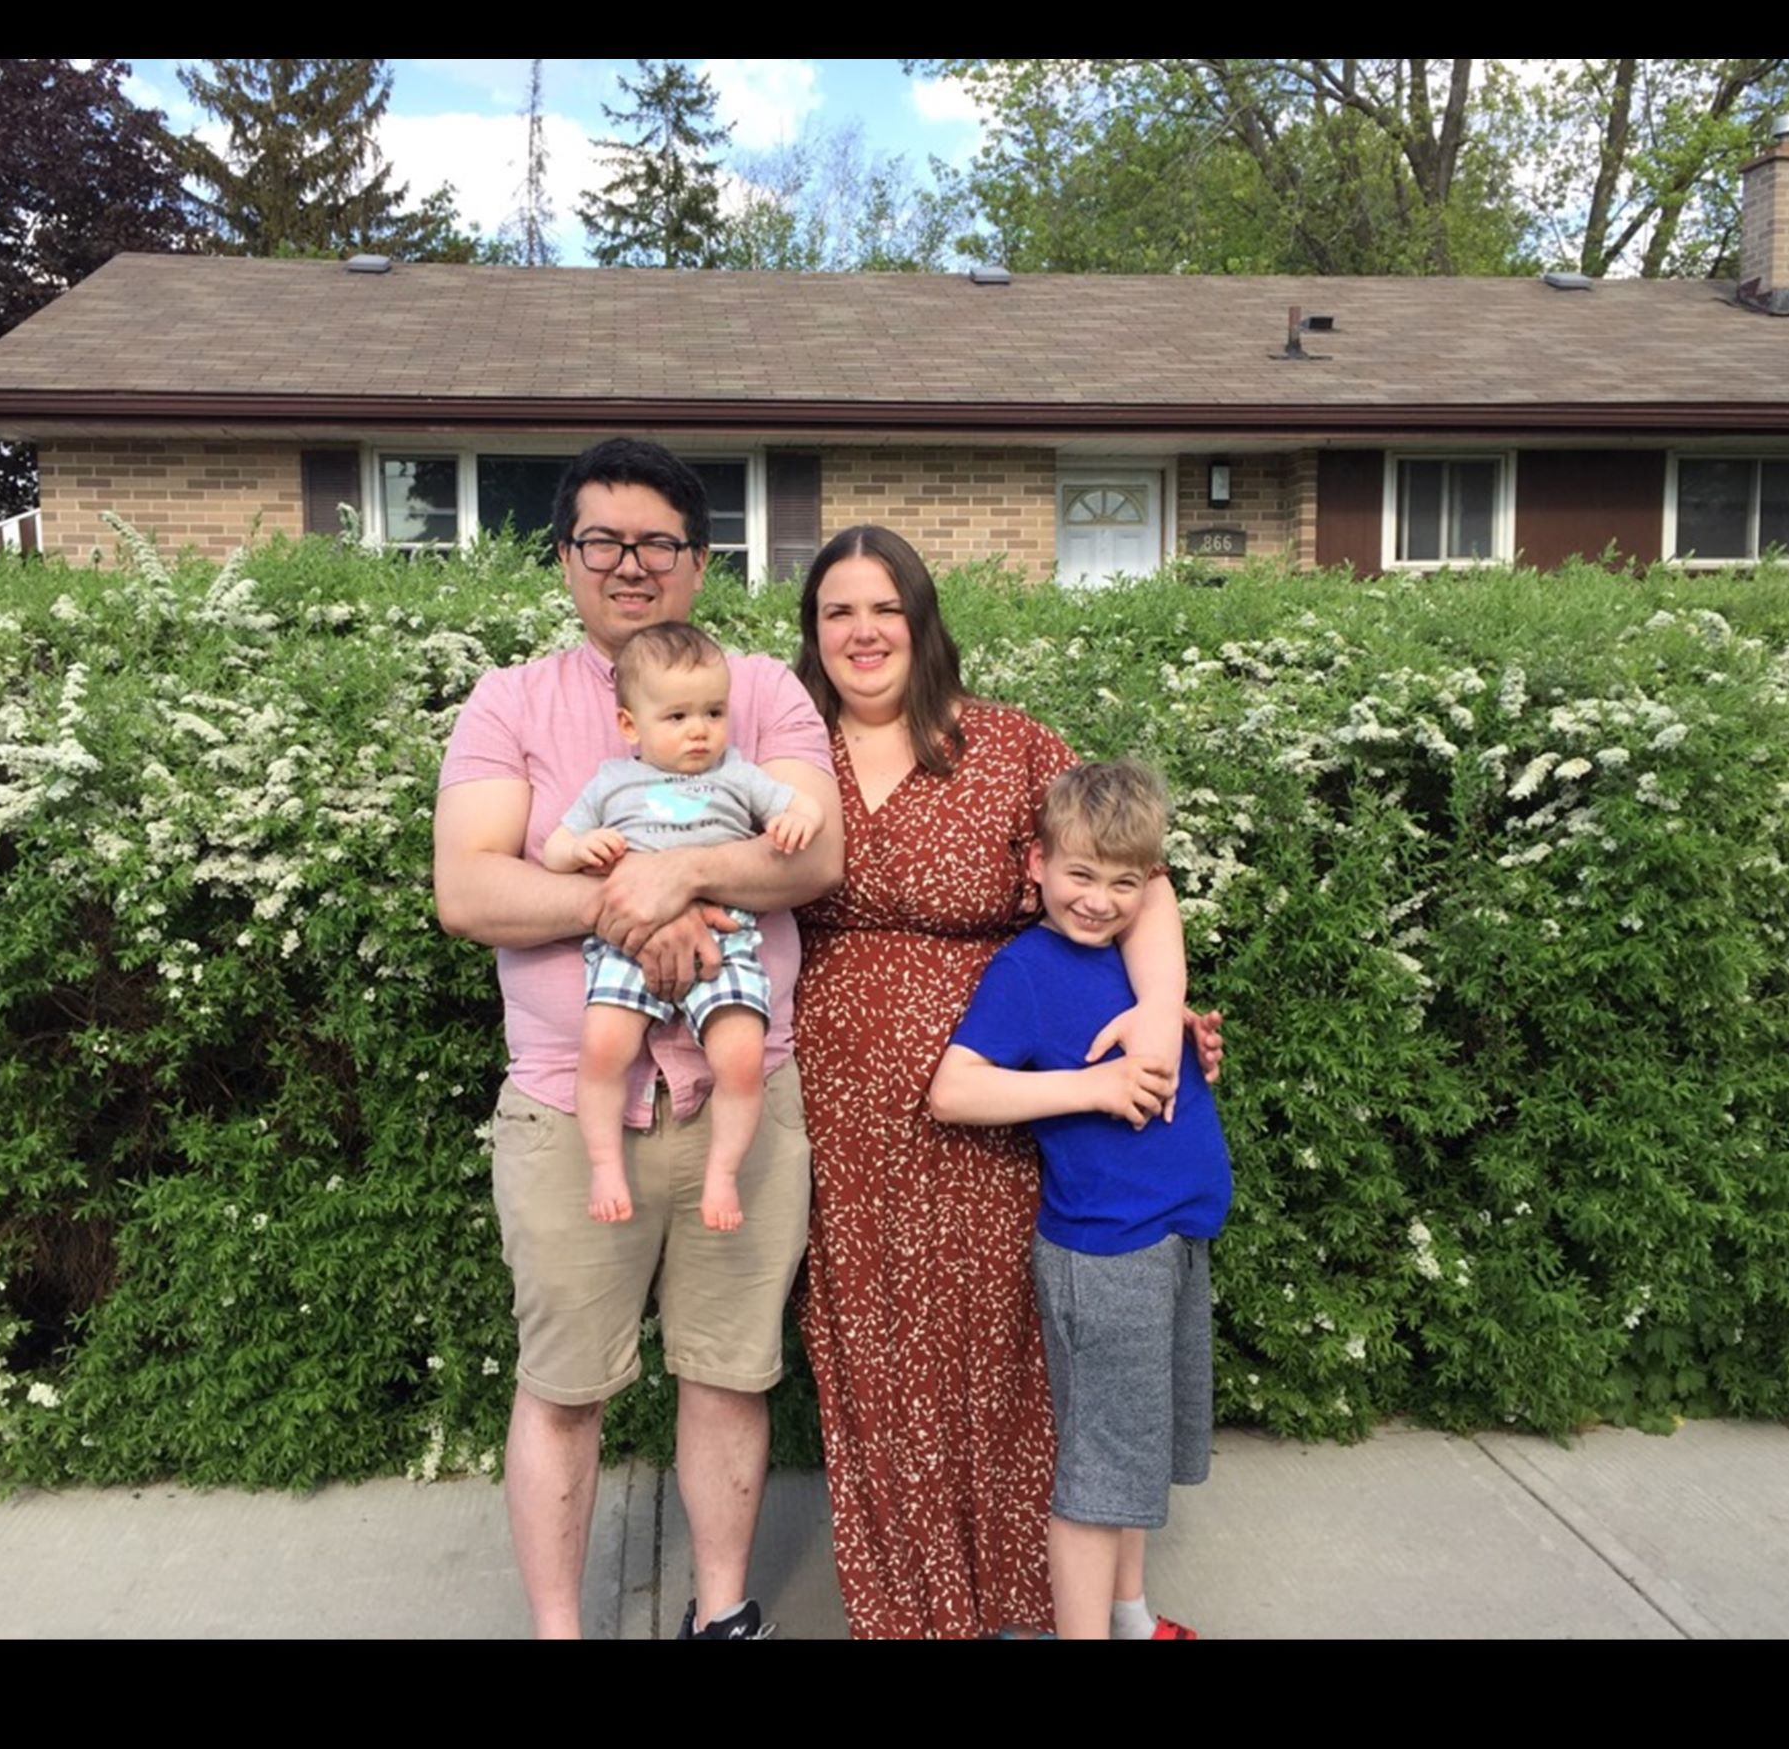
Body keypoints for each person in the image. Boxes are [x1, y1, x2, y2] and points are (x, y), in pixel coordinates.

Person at [434, 440, 843, 1640]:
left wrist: (672, 877)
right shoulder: (510, 702)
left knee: (729, 1371)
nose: (629, 565)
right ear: (563, 558)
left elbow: (812, 857)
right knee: (564, 1387)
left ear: (699, 562)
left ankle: (722, 1616)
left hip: (740, 1094)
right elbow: (471, 889)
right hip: (575, 1104)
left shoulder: (762, 688)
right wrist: (637, 902)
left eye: (656, 543)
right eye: (601, 541)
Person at [788, 525, 1220, 1639]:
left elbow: (1137, 876)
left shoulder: (1011, 745)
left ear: (923, 619)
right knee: (881, 1349)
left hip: (1008, 1102)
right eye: (839, 611)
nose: (864, 631)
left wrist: (1158, 1021)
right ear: (814, 631)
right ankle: (914, 1607)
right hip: (846, 1113)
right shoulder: (788, 750)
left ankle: (1035, 1600)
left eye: (885, 607)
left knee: (1011, 1346)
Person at [929, 760, 1232, 1641]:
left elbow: (1160, 1053)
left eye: (1124, 882)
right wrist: (1091, 1089)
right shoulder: (1027, 969)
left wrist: (1186, 1043)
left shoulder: (1145, 965)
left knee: (1133, 1458)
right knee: (1099, 1475)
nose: (1099, 901)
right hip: (1102, 1252)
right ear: (1036, 865)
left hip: (1171, 1232)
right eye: (1081, 875)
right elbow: (955, 1091)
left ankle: (1131, 1617)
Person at [542, 622, 825, 1233]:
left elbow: (800, 809)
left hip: (727, 942)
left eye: (714, 712)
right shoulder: (612, 782)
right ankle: (604, 1164)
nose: (700, 730)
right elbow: (555, 849)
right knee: (602, 1050)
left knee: (743, 1059)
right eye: (676, 717)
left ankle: (722, 1173)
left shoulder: (738, 773)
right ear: (629, 725)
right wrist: (583, 848)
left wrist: (795, 822)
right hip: (626, 942)